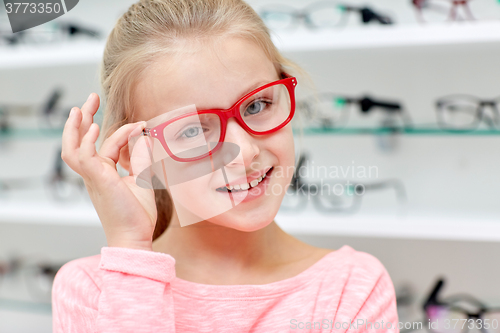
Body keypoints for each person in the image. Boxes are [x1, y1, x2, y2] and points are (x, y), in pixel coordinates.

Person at [52, 0, 399, 332]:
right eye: (193, 130)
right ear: (135, 154)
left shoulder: (352, 288)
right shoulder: (92, 293)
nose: (244, 152)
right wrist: (131, 247)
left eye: (256, 105)